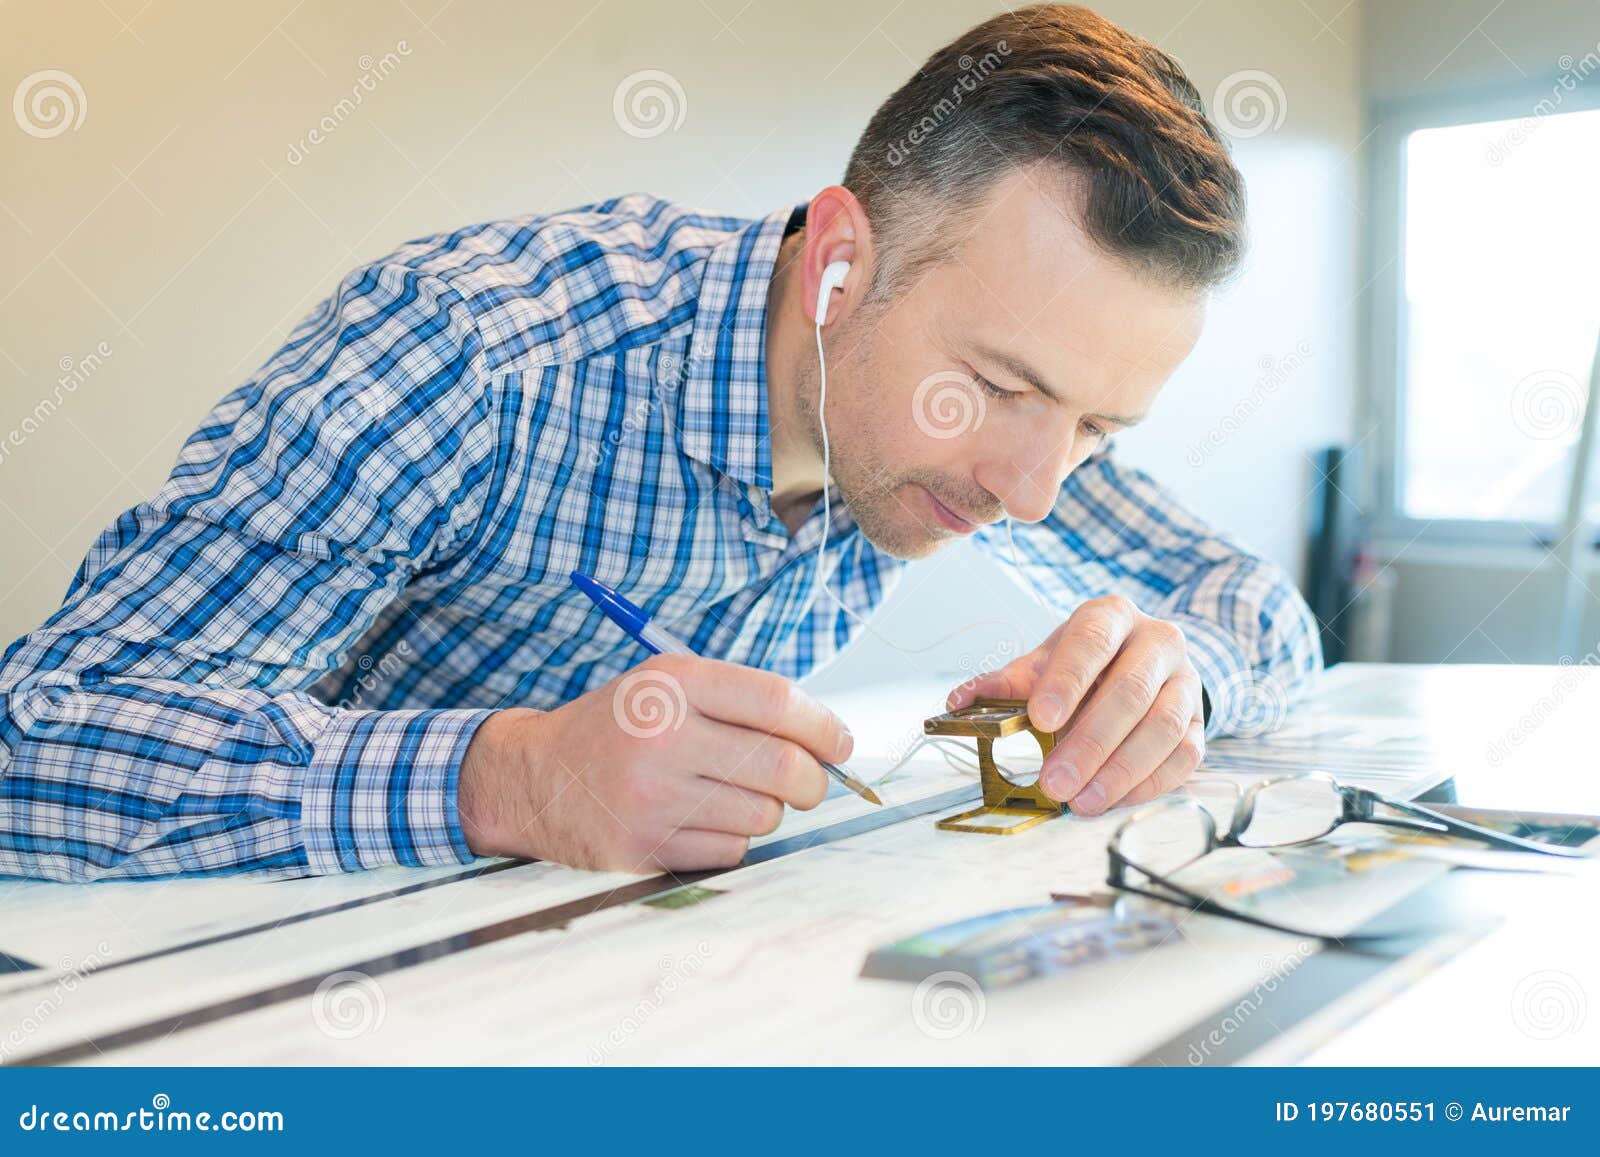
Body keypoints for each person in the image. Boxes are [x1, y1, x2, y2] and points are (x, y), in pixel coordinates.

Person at [0, 4, 1320, 882]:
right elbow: (33, 746)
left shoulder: (988, 421)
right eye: (993, 389)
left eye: (1097, 427)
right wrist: (502, 779)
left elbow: (1256, 611)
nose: (1036, 491)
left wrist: (1175, 685)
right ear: (842, 267)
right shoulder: (472, 350)